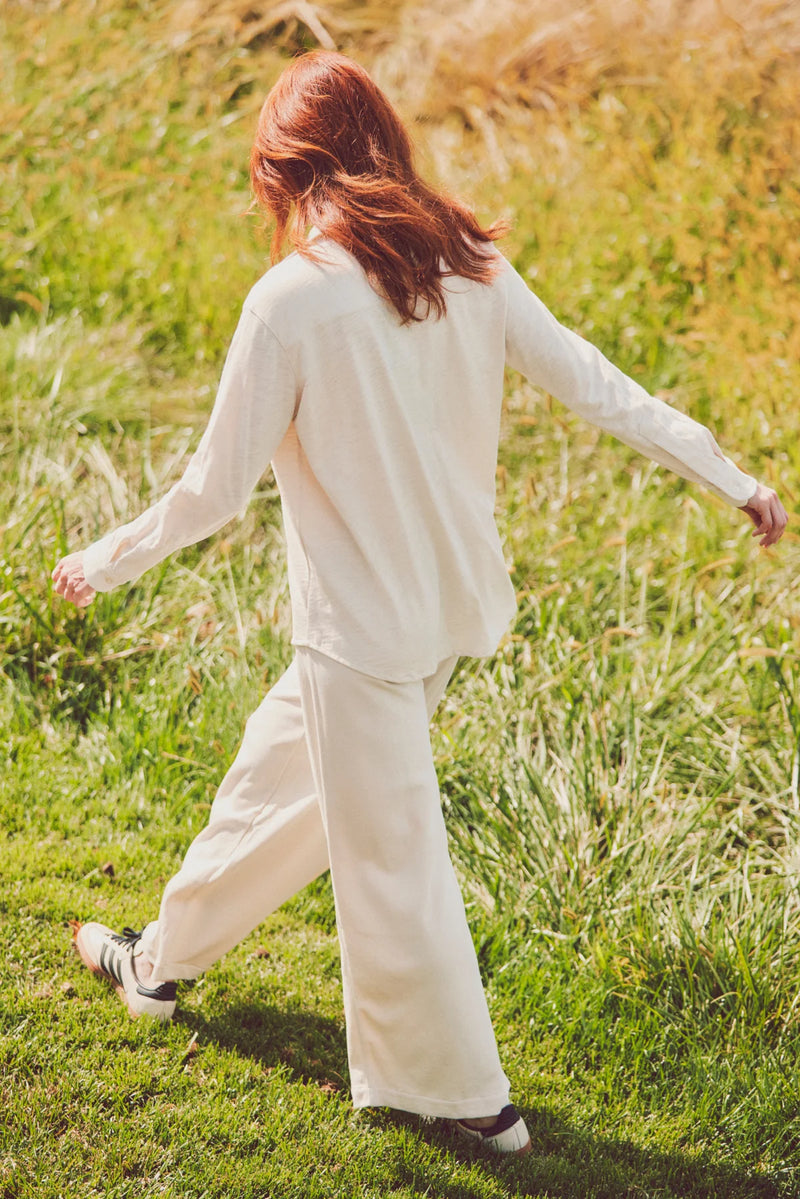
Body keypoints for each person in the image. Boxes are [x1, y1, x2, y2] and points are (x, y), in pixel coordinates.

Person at [52, 50, 787, 1156]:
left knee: (392, 859)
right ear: (381, 143)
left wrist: (102, 559)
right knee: (270, 785)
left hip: (360, 638)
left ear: (279, 169)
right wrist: (729, 473)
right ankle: (156, 962)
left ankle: (466, 1097)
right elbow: (596, 381)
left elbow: (212, 489)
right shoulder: (468, 264)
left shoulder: (291, 301)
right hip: (432, 619)